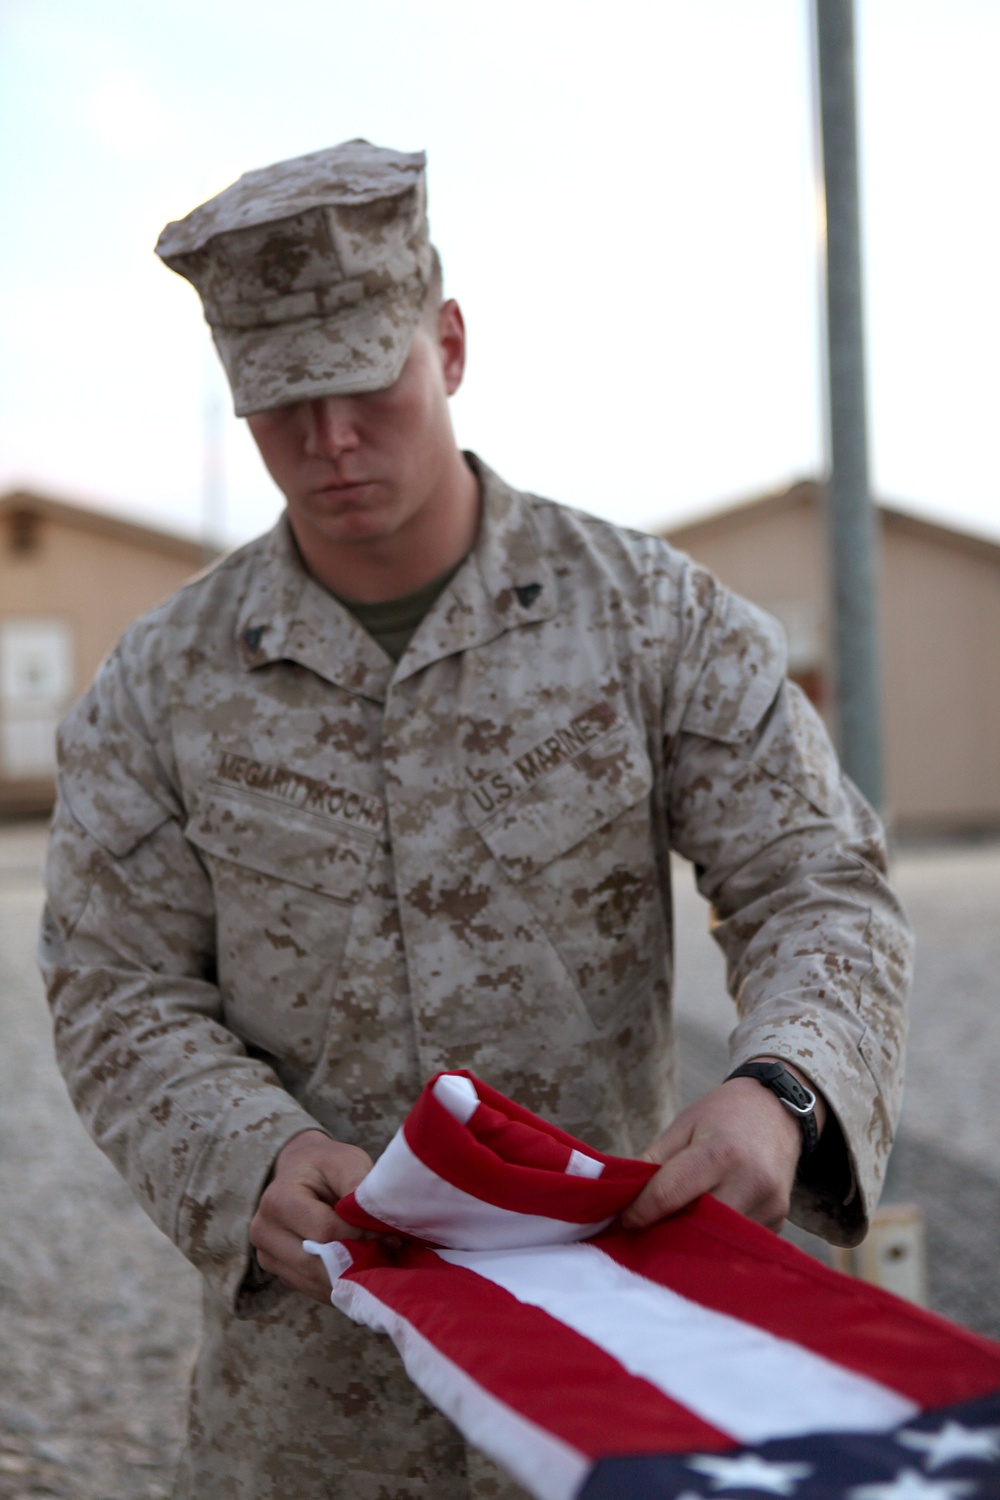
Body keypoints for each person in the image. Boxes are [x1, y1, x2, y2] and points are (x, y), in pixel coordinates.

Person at [39, 140, 912, 1500]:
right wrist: (242, 1152)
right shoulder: (161, 686)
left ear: (447, 343)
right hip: (316, 1405)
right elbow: (117, 984)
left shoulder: (646, 617)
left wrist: (782, 1089)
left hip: (613, 1359)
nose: (330, 441)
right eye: (282, 400)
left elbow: (817, 881)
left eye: (365, 380)